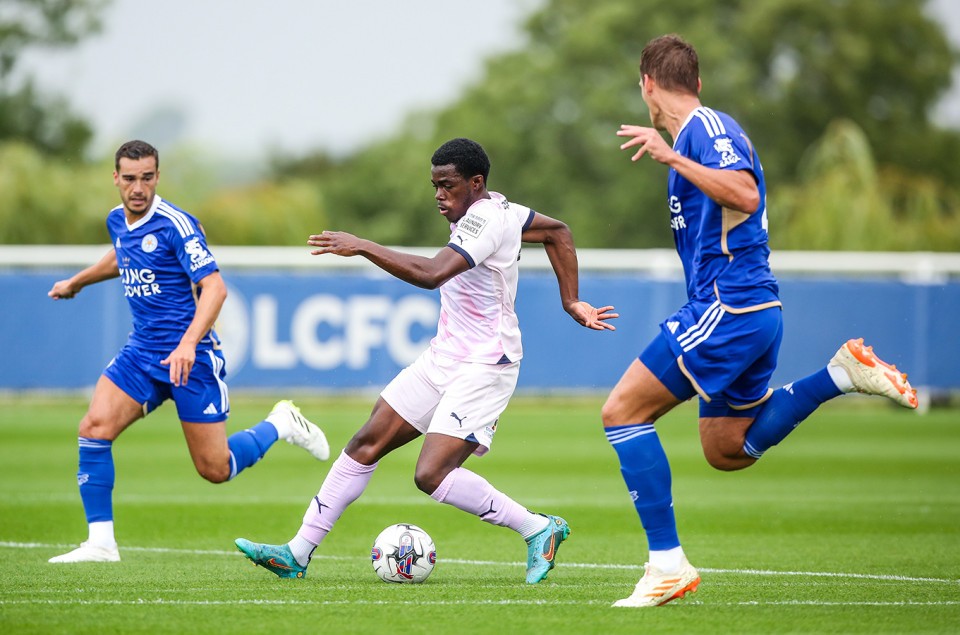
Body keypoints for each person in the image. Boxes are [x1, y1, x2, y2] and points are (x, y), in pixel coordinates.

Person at [604, 34, 919, 607]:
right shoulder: (699, 135)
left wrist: (673, 156)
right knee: (725, 449)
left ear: (646, 84)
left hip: (730, 306)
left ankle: (666, 565)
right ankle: (841, 375)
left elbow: (745, 195)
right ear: (696, 80)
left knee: (622, 412)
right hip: (750, 311)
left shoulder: (705, 132)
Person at [234, 137, 618, 583]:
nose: (439, 195)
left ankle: (538, 528)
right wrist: (570, 300)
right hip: (445, 356)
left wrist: (363, 246)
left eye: (447, 185)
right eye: (434, 185)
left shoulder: (487, 220)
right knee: (366, 443)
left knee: (431, 473)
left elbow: (431, 275)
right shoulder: (503, 212)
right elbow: (557, 232)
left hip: (486, 363)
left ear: (476, 183)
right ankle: (296, 554)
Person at [47, 140, 331, 564]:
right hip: (141, 355)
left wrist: (186, 344)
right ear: (116, 179)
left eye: (146, 178)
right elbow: (120, 257)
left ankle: (281, 423)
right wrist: (78, 281)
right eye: (129, 179)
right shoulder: (117, 221)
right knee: (94, 427)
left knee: (215, 469)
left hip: (191, 359)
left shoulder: (176, 224)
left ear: (157, 177)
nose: (137, 187)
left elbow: (214, 287)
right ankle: (101, 543)